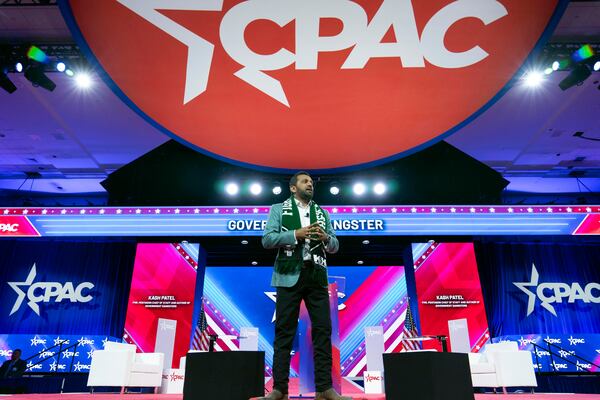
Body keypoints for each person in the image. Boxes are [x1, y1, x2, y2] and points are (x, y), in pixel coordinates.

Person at [258, 172, 350, 400]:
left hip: (317, 276)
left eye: (311, 182)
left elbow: (336, 245)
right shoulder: (278, 209)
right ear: (292, 188)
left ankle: (324, 389)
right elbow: (267, 239)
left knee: (322, 332)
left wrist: (327, 238)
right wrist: (294, 234)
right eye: (304, 181)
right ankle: (280, 389)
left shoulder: (323, 213)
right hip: (288, 275)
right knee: (284, 334)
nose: (310, 184)